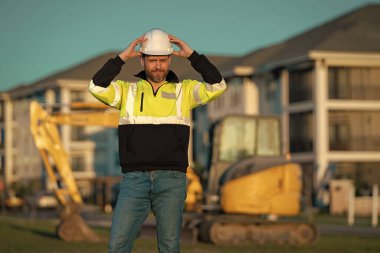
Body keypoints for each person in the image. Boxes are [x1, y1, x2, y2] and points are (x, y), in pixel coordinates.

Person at [89, 28, 227, 253]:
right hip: (134, 181)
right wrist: (122, 57)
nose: (158, 66)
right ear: (142, 60)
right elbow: (96, 86)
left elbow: (218, 85)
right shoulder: (127, 92)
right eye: (153, 60)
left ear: (170, 59)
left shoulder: (186, 91)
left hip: (172, 181)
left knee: (169, 247)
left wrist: (192, 55)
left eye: (163, 60)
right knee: (117, 245)